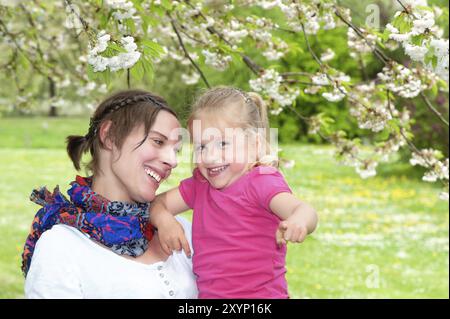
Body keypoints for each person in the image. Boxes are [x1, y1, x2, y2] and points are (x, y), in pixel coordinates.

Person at [22, 89, 198, 298]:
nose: (173, 161)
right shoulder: (62, 247)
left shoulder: (182, 230)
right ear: (110, 136)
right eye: (158, 142)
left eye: (176, 150)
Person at [150, 87, 318, 299]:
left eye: (223, 144)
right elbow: (157, 204)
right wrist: (164, 220)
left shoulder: (261, 181)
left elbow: (304, 210)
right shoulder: (200, 185)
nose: (210, 157)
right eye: (201, 147)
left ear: (254, 145)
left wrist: (298, 221)